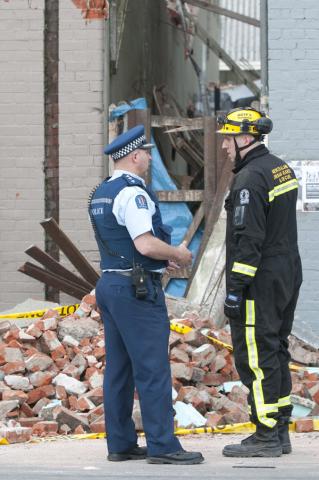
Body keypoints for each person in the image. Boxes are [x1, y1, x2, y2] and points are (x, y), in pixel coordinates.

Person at [88, 124, 204, 465]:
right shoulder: (133, 193)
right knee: (152, 368)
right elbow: (144, 243)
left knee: (119, 369)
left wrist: (155, 262)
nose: (151, 158)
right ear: (136, 156)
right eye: (148, 153)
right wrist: (178, 255)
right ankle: (163, 445)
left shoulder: (101, 192)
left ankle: (121, 443)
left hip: (111, 283)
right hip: (135, 292)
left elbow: (124, 244)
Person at [216, 108, 302, 457]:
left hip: (260, 280)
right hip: (286, 272)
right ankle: (280, 429)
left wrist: (236, 289)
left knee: (256, 354)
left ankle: (266, 434)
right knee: (275, 349)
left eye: (228, 137)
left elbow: (247, 239)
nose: (224, 145)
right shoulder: (280, 168)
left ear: (246, 138)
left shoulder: (250, 178)